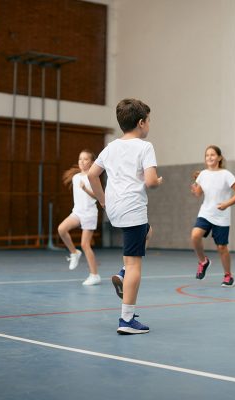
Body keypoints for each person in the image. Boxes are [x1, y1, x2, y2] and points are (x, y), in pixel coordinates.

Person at [88, 98, 162, 335]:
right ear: (141, 123)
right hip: (132, 209)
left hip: (115, 209)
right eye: (148, 120)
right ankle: (127, 320)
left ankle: (122, 272)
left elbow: (92, 175)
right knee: (134, 264)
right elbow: (151, 182)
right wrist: (157, 181)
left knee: (147, 231)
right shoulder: (145, 147)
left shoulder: (110, 147)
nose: (149, 124)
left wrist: (102, 200)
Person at [191, 145, 235, 287]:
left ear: (219, 157)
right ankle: (203, 261)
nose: (209, 157)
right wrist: (195, 188)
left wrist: (227, 204)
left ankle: (228, 276)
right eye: (207, 155)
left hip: (221, 216)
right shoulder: (203, 174)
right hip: (206, 212)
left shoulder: (226, 174)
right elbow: (198, 194)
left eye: (212, 154)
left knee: (221, 247)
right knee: (195, 235)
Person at [58, 150, 101, 286]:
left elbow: (98, 196)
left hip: (89, 213)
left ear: (92, 162)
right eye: (80, 159)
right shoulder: (76, 177)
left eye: (85, 159)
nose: (82, 162)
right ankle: (74, 253)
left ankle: (94, 275)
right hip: (77, 212)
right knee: (61, 229)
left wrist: (85, 189)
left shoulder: (93, 177)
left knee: (85, 245)